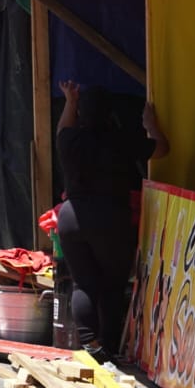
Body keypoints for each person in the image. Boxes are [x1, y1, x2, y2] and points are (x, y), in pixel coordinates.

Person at [56, 80, 168, 362]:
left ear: (83, 113)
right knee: (113, 284)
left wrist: (70, 101)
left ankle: (89, 344)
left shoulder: (70, 140)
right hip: (111, 218)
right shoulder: (121, 140)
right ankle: (109, 344)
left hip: (72, 217)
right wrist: (150, 124)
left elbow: (62, 129)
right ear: (110, 113)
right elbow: (162, 149)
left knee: (83, 283)